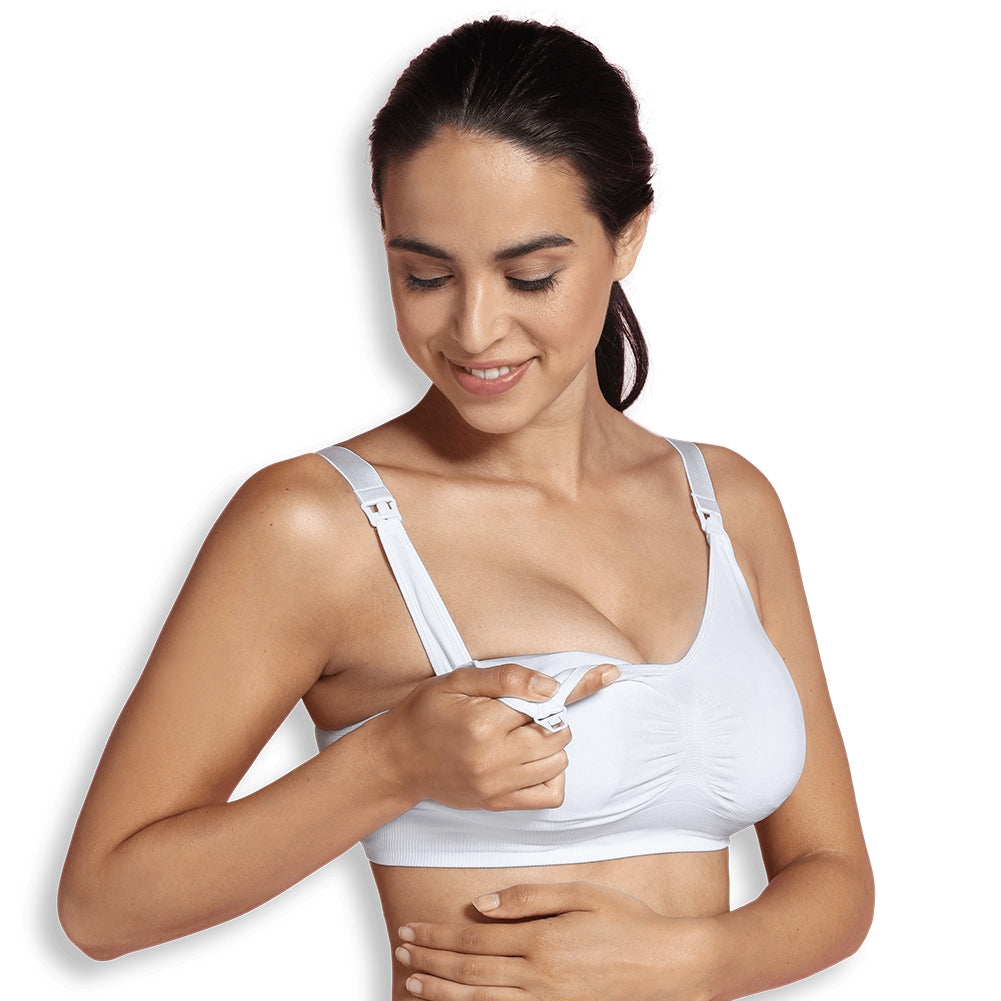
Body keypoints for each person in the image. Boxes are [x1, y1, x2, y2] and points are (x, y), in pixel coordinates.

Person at [58, 16, 873, 1000]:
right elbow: (102, 903)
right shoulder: (317, 524)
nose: (475, 328)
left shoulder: (726, 500)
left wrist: (684, 960)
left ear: (626, 236)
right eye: (425, 275)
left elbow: (834, 879)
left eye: (529, 275)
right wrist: (389, 763)